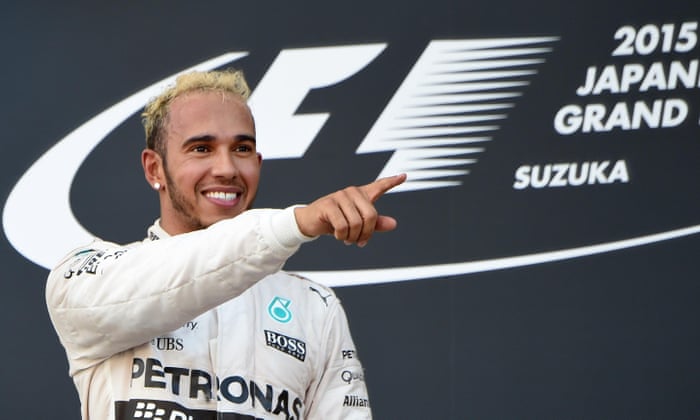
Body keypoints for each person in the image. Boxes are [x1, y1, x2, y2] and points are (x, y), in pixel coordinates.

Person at [46, 69, 405, 420]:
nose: (227, 168)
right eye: (201, 148)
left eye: (242, 148)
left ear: (258, 163)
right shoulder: (81, 277)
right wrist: (296, 222)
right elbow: (177, 272)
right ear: (154, 168)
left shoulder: (314, 306)